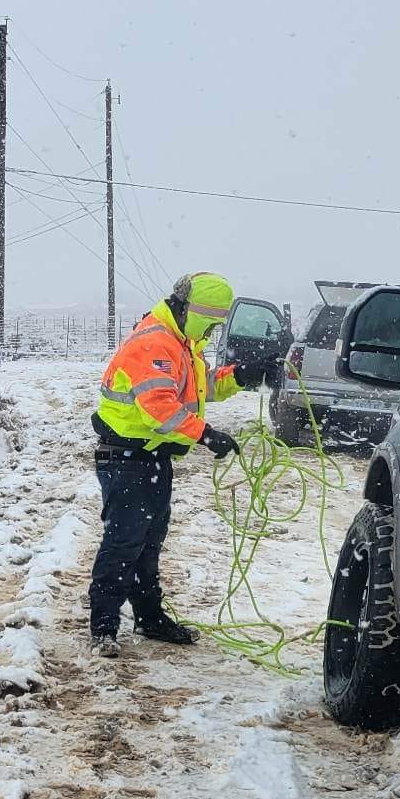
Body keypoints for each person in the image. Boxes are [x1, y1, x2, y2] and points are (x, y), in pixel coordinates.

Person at [87, 271, 257, 657]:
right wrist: (206, 434)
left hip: (152, 459)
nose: (213, 331)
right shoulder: (156, 342)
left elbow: (201, 388)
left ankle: (148, 618)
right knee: (124, 543)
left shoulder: (182, 343)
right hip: (126, 459)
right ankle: (103, 627)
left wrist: (241, 376)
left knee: (149, 543)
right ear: (193, 311)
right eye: (212, 322)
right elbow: (159, 407)